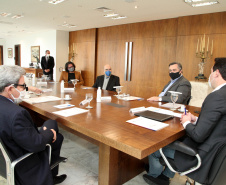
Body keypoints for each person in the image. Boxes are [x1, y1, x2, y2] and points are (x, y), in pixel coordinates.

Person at [143, 58, 226, 185]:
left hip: (200, 155)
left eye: (210, 72)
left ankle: (156, 177)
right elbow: (218, 121)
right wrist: (196, 119)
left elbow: (198, 136)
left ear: (216, 73)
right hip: (215, 153)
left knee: (154, 149)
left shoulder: (216, 97)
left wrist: (187, 121)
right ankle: (165, 175)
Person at [0, 65, 67, 185]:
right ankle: (50, 176)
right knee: (56, 134)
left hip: (9, 149)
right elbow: (36, 144)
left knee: (51, 123)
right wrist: (49, 133)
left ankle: (52, 175)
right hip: (23, 161)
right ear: (9, 89)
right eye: (22, 86)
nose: (24, 89)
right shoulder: (16, 114)